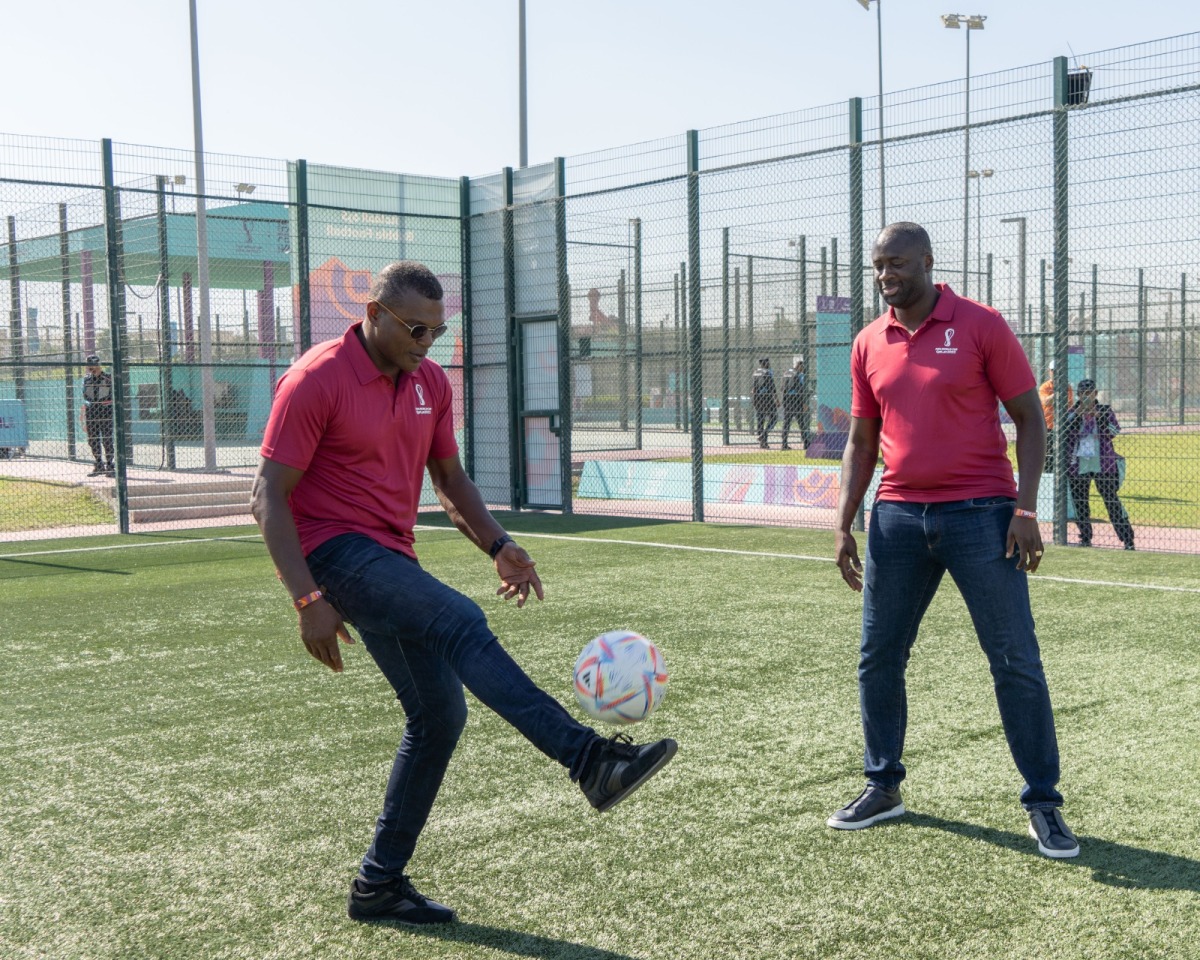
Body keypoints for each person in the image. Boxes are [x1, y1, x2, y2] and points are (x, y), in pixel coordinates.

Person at [251, 262, 677, 926]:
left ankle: (378, 884)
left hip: (390, 555)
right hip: (332, 551)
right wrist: (307, 600)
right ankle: (590, 760)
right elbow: (267, 498)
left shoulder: (427, 383)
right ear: (372, 313)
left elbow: (449, 478)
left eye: (437, 331)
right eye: (414, 328)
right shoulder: (315, 379)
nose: (426, 342)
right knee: (459, 620)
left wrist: (499, 544)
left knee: (440, 718)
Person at [829, 222, 1079, 859]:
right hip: (897, 519)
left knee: (1014, 660)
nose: (887, 276)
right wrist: (843, 520)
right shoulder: (867, 342)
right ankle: (883, 786)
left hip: (982, 516)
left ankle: (1044, 804)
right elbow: (861, 442)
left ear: (928, 263)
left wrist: (1025, 508)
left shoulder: (981, 324)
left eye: (897, 264)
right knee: (878, 657)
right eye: (879, 266)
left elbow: (1029, 418)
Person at [1061, 378, 1134, 550]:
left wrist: (1098, 417)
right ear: (1078, 395)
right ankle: (1085, 537)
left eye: (1090, 393)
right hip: (1078, 465)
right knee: (1080, 501)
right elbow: (1064, 432)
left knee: (1111, 500)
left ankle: (1128, 539)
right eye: (1083, 394)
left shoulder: (1105, 411)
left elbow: (1114, 431)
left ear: (1095, 394)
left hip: (1103, 464)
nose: (1087, 397)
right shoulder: (1071, 412)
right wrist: (1078, 416)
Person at [81, 354, 114, 476]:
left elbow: (112, 394)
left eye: (94, 365)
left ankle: (110, 464)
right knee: (93, 439)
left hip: (105, 411)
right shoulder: (86, 379)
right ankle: (99, 464)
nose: (92, 368)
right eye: (90, 365)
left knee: (107, 439)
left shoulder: (108, 378)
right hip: (91, 412)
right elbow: (85, 394)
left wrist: (105, 403)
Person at [1038, 362, 1073, 473]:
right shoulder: (1045, 387)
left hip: (1063, 427)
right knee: (1048, 458)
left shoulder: (1067, 387)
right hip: (1048, 427)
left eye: (1058, 371)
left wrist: (1058, 393)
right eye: (1053, 371)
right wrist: (1058, 392)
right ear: (1049, 371)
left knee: (1063, 457)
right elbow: (1046, 401)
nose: (1056, 373)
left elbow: (1068, 404)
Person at [779, 356, 812, 451]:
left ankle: (784, 443)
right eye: (802, 366)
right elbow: (802, 390)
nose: (803, 369)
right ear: (799, 365)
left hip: (787, 401)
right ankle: (806, 443)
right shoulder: (800, 375)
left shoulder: (786, 374)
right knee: (802, 423)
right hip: (797, 401)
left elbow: (782, 388)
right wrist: (804, 403)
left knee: (786, 423)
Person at [751, 357, 778, 449]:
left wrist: (754, 400)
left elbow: (753, 388)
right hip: (767, 398)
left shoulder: (755, 373)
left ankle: (763, 442)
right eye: (768, 363)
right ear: (765, 363)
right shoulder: (767, 373)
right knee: (774, 418)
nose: (769, 364)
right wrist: (776, 400)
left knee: (760, 420)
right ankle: (764, 434)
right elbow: (772, 387)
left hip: (758, 399)